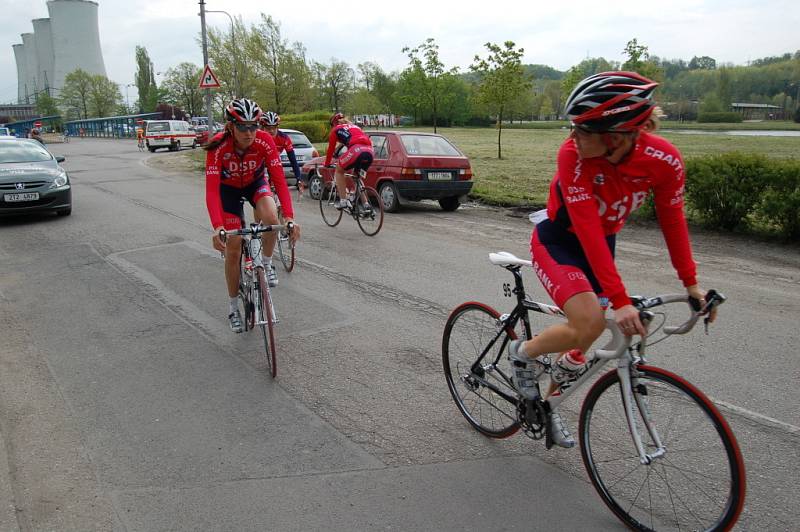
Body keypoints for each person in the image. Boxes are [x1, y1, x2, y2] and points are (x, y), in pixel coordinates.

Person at [507, 71, 717, 448]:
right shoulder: (572, 155)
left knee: (583, 341)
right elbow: (586, 228)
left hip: (603, 244)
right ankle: (522, 354)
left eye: (582, 129)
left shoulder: (663, 159)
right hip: (560, 241)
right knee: (588, 320)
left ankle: (550, 406)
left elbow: (673, 220)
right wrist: (619, 300)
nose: (572, 137)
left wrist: (691, 284)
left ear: (616, 135)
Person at [205, 98, 300, 333]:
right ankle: (232, 306)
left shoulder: (265, 141)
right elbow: (211, 191)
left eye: (253, 126)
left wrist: (289, 217)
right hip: (227, 191)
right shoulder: (218, 147)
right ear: (230, 127)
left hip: (255, 183)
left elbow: (278, 178)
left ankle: (266, 265)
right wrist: (218, 226)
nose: (249, 133)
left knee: (271, 219)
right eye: (242, 127)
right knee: (234, 246)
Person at [324, 112, 374, 210]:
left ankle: (343, 201)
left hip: (357, 149)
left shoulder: (336, 129)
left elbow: (330, 149)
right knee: (357, 177)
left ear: (333, 123)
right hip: (370, 151)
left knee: (339, 170)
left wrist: (327, 164)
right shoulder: (355, 127)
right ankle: (366, 204)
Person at [260, 111, 305, 196]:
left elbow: (293, 160)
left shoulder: (284, 138)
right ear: (263, 127)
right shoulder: (258, 137)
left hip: (274, 162)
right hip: (260, 163)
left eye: (274, 127)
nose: (272, 131)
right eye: (268, 128)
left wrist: (298, 178)